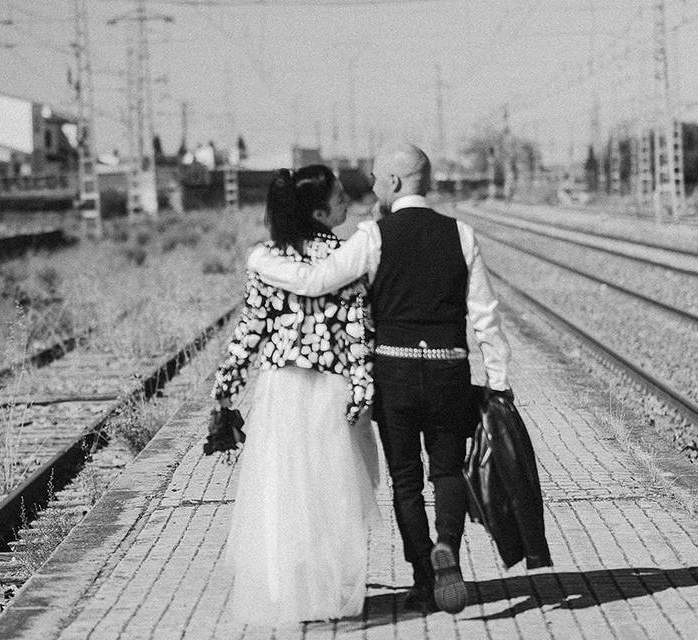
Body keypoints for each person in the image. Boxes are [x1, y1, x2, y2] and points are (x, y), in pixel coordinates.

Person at [247, 144, 512, 615]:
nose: (370, 187)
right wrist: (498, 383)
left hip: (396, 373)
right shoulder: (463, 234)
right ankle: (447, 543)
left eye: (374, 178)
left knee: (406, 481)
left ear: (392, 182)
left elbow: (317, 280)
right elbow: (486, 317)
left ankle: (424, 579)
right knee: (448, 470)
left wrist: (261, 261)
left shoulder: (373, 237)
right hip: (450, 367)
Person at [212, 165, 380, 625]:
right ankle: (333, 588)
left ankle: (291, 589)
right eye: (340, 196)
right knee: (333, 490)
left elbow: (250, 327)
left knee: (283, 488)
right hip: (331, 386)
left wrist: (226, 387)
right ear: (320, 209)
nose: (348, 201)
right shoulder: (346, 260)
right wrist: (363, 389)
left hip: (281, 388)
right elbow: (357, 332)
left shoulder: (268, 260)